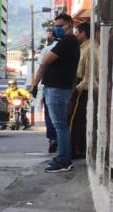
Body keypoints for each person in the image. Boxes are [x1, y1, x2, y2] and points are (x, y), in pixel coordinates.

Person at [30, 13, 80, 172]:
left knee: (60, 125)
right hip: (56, 88)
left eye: (60, 26)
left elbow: (46, 60)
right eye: (55, 26)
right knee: (59, 124)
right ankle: (62, 157)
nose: (56, 29)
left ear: (69, 26)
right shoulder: (65, 42)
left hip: (58, 89)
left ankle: (64, 160)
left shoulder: (68, 41)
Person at [69, 21, 92, 159]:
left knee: (74, 121)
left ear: (83, 34)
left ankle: (75, 150)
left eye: (77, 33)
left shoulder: (89, 49)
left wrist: (77, 89)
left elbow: (89, 76)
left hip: (82, 89)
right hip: (78, 85)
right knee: (74, 120)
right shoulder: (82, 48)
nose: (76, 35)